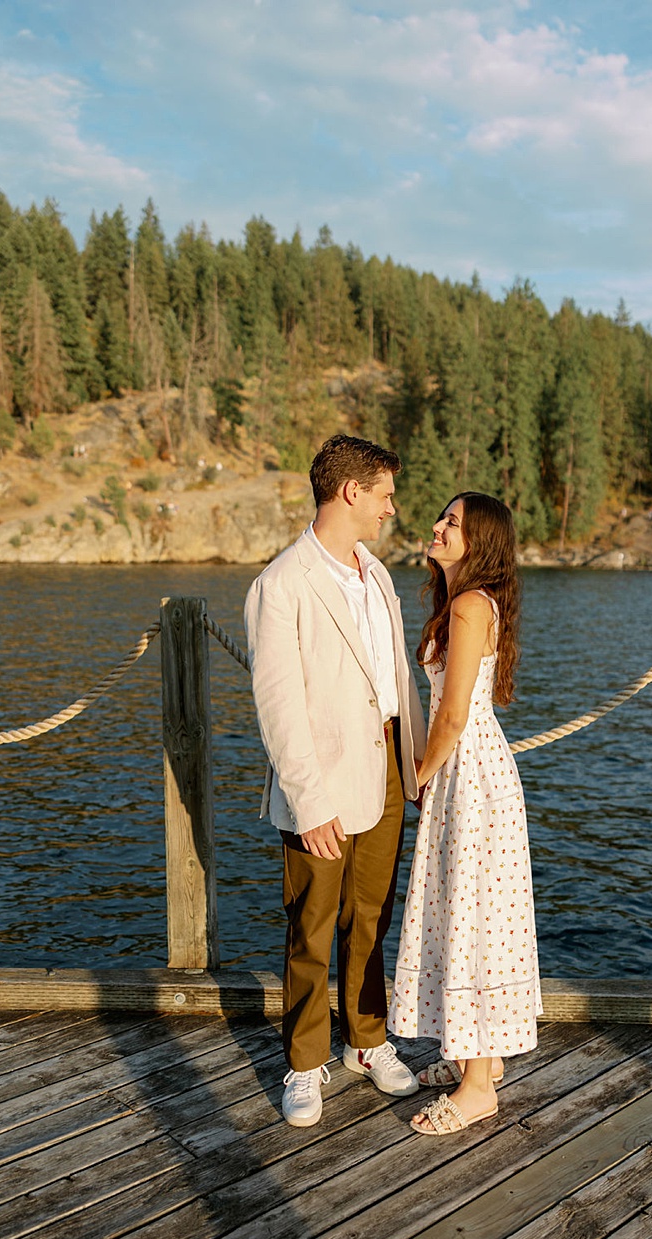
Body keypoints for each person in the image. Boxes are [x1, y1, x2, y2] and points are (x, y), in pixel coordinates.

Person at [245, 434, 429, 1127]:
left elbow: (395, 680)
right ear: (351, 491)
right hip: (318, 776)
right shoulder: (282, 583)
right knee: (312, 924)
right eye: (384, 492)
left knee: (371, 916)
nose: (392, 506)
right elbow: (279, 704)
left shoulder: (375, 573)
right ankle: (302, 1062)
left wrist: (414, 765)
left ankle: (368, 1040)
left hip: (385, 761)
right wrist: (309, 800)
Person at [388, 491, 541, 1135]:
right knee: (469, 909)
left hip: (469, 775)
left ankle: (479, 1088)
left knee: (474, 914)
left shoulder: (470, 605)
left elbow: (452, 714)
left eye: (453, 522)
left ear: (479, 543)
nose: (437, 526)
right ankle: (481, 1058)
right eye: (442, 516)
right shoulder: (462, 604)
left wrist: (415, 777)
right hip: (472, 770)